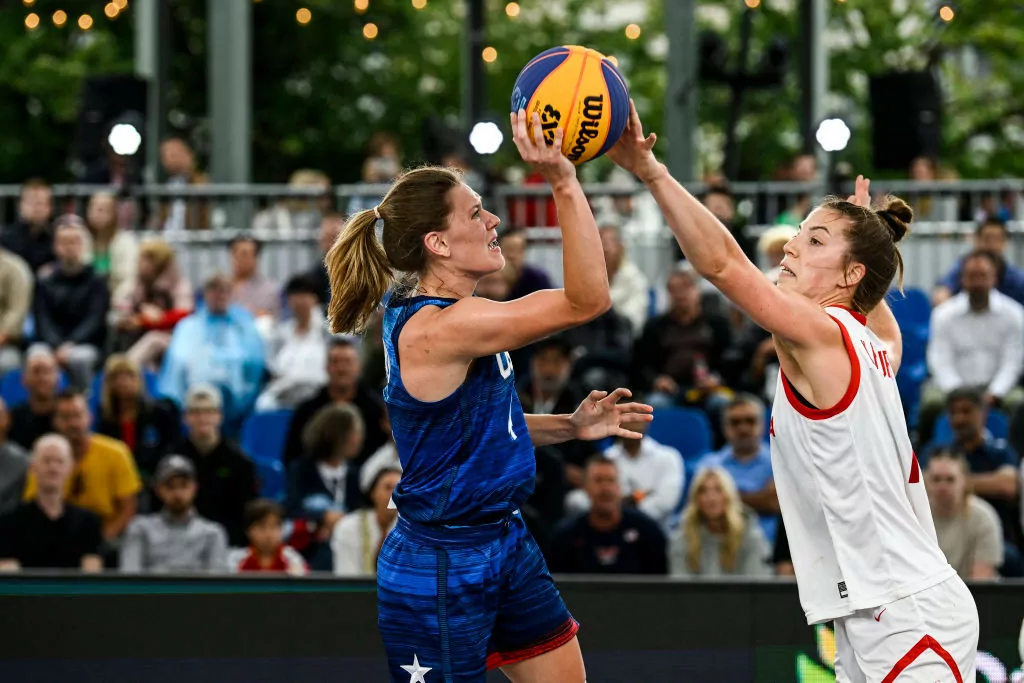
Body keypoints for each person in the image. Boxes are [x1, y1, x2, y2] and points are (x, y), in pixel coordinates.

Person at [608, 102, 977, 680]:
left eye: (813, 241)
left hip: (904, 610)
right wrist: (862, 239)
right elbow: (879, 318)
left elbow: (726, 266)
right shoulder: (870, 342)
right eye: (800, 237)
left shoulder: (823, 332)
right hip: (883, 608)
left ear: (850, 275)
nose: (789, 248)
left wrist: (652, 171)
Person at [324, 110, 653, 683]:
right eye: (477, 212)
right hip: (442, 562)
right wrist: (563, 181)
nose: (494, 219)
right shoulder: (443, 327)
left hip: (500, 537)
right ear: (438, 243)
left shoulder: (451, 317)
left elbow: (481, 428)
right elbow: (587, 300)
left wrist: (570, 428)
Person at [119, 455, 228, 573]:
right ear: (158, 490)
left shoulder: (212, 533)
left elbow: (217, 584)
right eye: (170, 486)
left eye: (183, 485)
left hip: (197, 591)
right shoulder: (140, 529)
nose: (177, 493)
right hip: (151, 591)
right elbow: (130, 577)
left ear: (194, 488)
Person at [668, 466, 771, 577]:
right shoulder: (682, 539)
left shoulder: (751, 537)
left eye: (718, 490)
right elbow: (680, 588)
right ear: (696, 499)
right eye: (703, 491)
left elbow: (758, 586)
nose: (711, 498)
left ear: (729, 496)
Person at [331, 466, 401, 577]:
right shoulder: (348, 527)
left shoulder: (415, 530)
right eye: (387, 487)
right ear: (372, 493)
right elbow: (346, 578)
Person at [227, 498, 308, 574]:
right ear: (248, 531)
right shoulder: (235, 560)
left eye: (274, 527)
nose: (268, 533)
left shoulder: (293, 560)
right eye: (261, 527)